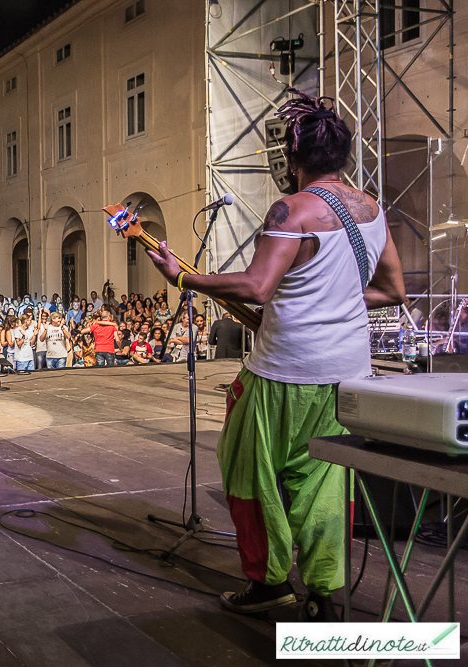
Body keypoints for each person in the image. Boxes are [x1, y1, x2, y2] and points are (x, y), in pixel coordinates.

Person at [140, 89, 405, 622]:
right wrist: (333, 302)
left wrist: (184, 276)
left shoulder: (292, 209)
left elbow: (259, 287)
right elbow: (393, 290)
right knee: (325, 482)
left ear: (294, 155)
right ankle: (324, 595)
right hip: (346, 377)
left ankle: (269, 582)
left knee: (248, 470)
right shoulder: (371, 210)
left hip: (283, 372)